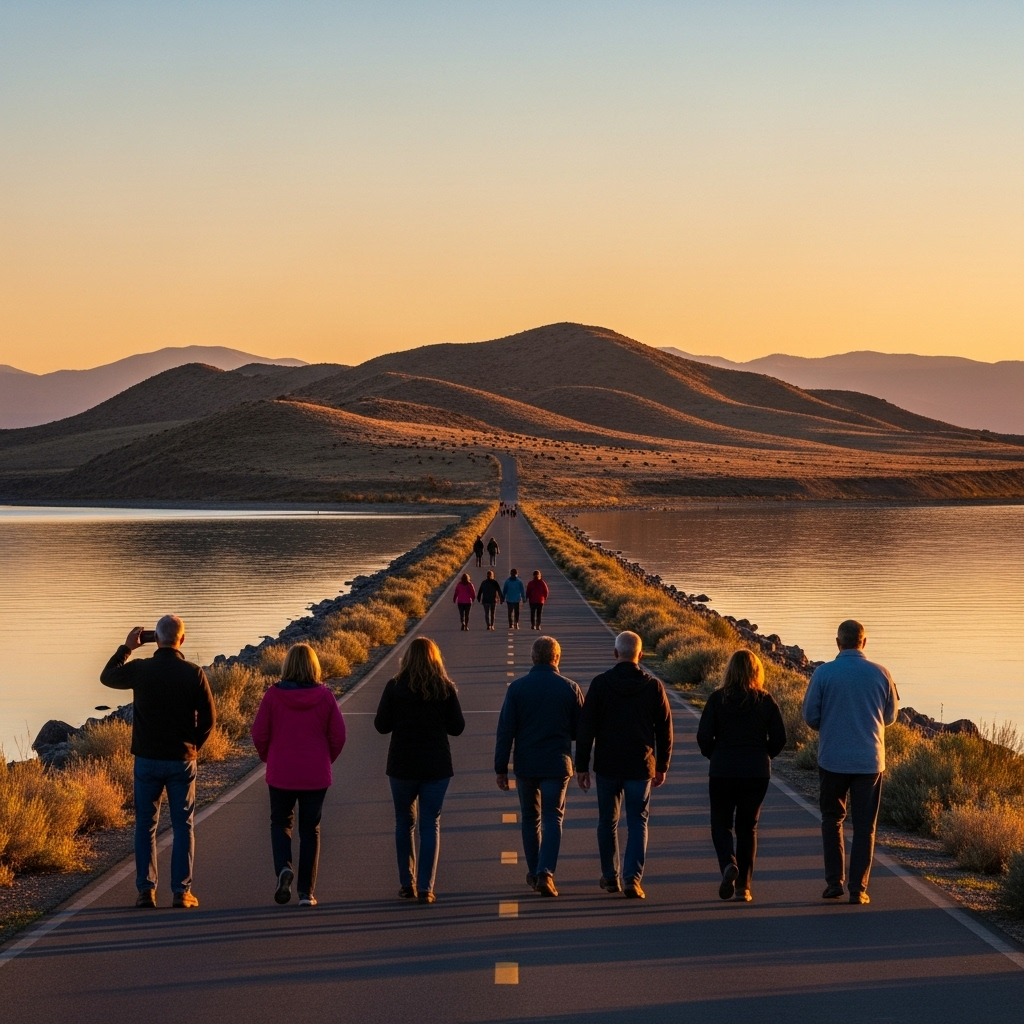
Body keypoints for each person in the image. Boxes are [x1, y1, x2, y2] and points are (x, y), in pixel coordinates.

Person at [101, 615, 216, 909]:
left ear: (155, 639)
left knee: (145, 826)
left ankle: (145, 891)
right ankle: (181, 892)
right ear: (182, 640)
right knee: (183, 826)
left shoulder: (141, 669)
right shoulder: (193, 673)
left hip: (147, 760)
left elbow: (108, 677)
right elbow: (209, 719)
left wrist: (127, 648)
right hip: (181, 760)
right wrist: (193, 747)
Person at [802, 619, 899, 905]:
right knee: (865, 826)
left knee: (832, 820)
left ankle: (834, 882)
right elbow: (891, 716)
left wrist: (831, 724)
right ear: (864, 642)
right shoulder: (881, 673)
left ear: (837, 643)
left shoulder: (823, 673)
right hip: (869, 760)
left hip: (832, 758)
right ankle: (859, 888)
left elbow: (810, 717)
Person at [576, 631, 672, 899]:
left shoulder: (600, 684)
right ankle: (632, 878)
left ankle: (610, 876)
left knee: (607, 821)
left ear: (615, 653)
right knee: (638, 821)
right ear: (640, 655)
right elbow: (665, 730)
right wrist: (662, 764)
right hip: (640, 766)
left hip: (607, 764)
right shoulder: (653, 687)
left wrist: (581, 765)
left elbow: (586, 728)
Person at [251, 644, 346, 907]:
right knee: (310, 830)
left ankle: (283, 868)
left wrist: (269, 758)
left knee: (280, 823)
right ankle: (306, 893)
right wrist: (326, 760)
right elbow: (339, 735)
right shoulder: (325, 697)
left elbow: (259, 733)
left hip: (281, 772)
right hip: (315, 774)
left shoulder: (273, 695)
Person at [374, 637, 465, 903]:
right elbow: (457, 728)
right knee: (430, 824)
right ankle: (426, 887)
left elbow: (381, 725)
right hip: (436, 765)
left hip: (402, 764)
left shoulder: (395, 687)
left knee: (404, 822)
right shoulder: (444, 688)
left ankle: (406, 882)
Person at [494, 636, 584, 897]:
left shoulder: (518, 688)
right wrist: (582, 763)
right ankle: (546, 871)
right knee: (553, 818)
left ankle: (535, 872)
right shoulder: (570, 688)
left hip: (527, 763)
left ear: (533, 657)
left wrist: (501, 767)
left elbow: (505, 730)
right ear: (557, 658)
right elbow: (581, 730)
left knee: (530, 818)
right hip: (557, 762)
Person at [696, 650, 786, 903]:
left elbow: (704, 737)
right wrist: (764, 755)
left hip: (723, 768)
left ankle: (727, 864)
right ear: (756, 672)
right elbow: (780, 738)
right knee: (748, 827)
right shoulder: (765, 701)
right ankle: (744, 887)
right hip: (756, 771)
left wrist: (715, 755)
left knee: (721, 823)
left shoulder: (717, 700)